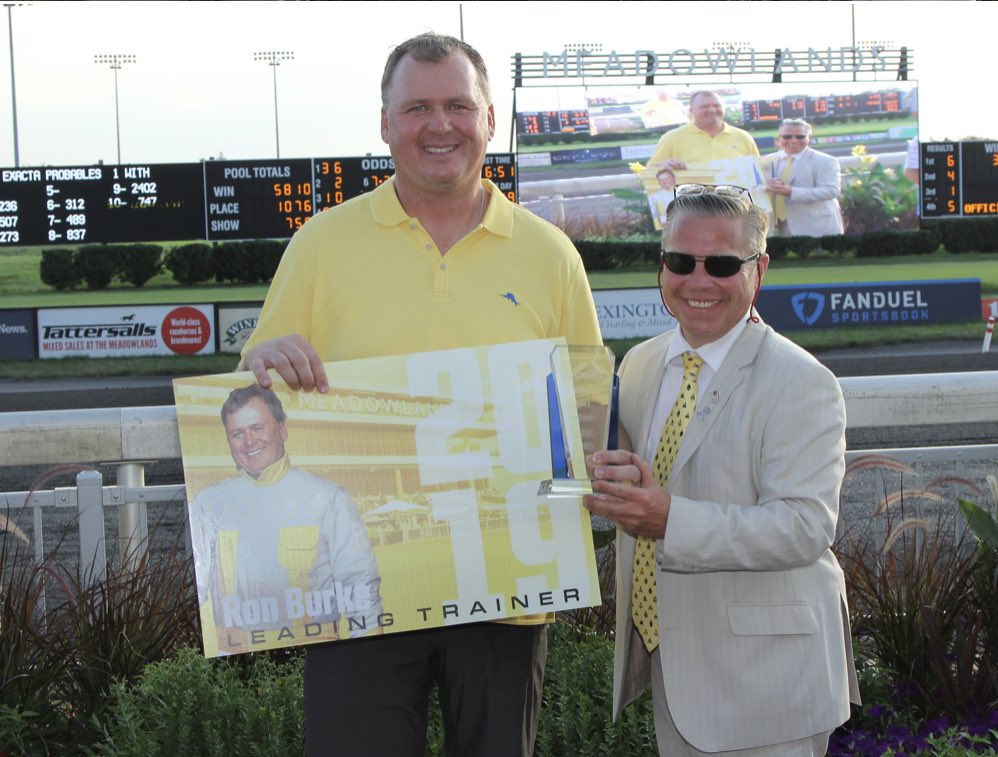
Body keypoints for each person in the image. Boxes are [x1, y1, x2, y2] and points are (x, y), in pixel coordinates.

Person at [238, 32, 601, 757]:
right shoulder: (320, 242)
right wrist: (263, 359)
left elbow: (586, 409)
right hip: (359, 587)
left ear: (489, 119)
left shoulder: (547, 251)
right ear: (384, 123)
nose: (440, 125)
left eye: (458, 105)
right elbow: (260, 381)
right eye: (417, 107)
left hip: (504, 586)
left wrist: (573, 514)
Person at [582, 186, 859, 755]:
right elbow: (639, 486)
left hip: (768, 683)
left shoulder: (802, 382)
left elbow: (804, 527)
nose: (698, 281)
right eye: (680, 262)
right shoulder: (638, 365)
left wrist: (669, 521)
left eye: (723, 264)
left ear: (759, 270)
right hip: (674, 670)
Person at [191, 384, 382, 655]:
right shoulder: (207, 505)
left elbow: (360, 587)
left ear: (282, 429)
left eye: (258, 428)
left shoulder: (328, 498)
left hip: (316, 660)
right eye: (237, 433)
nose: (249, 441)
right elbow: (191, 593)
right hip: (235, 668)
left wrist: (367, 657)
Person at [761, 118, 844, 237]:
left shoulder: (826, 161)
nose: (794, 141)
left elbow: (831, 191)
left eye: (800, 136)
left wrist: (791, 191)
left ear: (809, 139)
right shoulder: (767, 160)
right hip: (780, 227)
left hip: (817, 226)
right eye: (787, 137)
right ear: (779, 139)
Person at [648, 91, 760, 171]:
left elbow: (759, 171)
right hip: (691, 204)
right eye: (704, 107)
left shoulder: (743, 137)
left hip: (734, 203)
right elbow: (650, 173)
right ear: (691, 111)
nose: (712, 110)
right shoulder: (671, 138)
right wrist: (661, 165)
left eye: (717, 106)